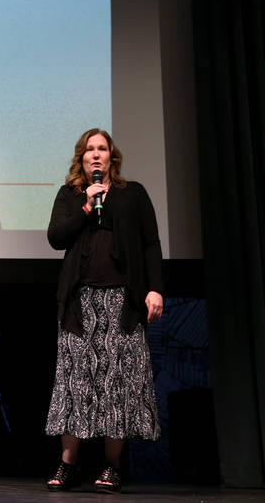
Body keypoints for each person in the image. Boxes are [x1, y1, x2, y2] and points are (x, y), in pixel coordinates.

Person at [44, 129, 163, 493]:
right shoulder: (71, 195)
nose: (96, 155)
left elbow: (150, 243)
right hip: (80, 303)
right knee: (74, 383)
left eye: (102, 149)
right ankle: (67, 466)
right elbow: (55, 238)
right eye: (89, 150)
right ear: (81, 158)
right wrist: (85, 206)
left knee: (117, 386)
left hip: (122, 302)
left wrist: (155, 288)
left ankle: (111, 467)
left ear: (112, 156)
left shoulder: (133, 194)